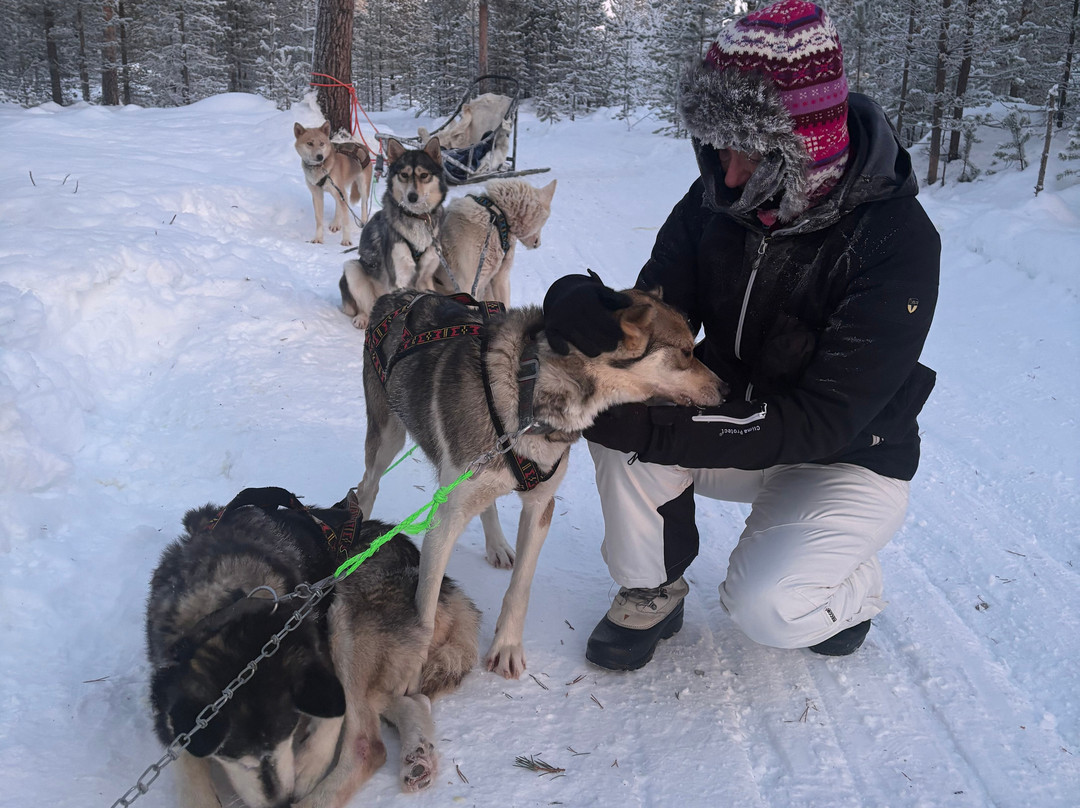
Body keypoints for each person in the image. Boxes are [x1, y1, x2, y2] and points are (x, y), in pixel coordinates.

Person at [543, 0, 940, 671]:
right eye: (720, 145)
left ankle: (848, 588)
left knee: (767, 607)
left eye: (750, 152)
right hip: (733, 419)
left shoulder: (894, 242)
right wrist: (573, 304)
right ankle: (652, 587)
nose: (727, 174)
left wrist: (658, 434)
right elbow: (654, 321)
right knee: (618, 402)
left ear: (805, 147)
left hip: (846, 455)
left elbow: (823, 419)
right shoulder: (716, 202)